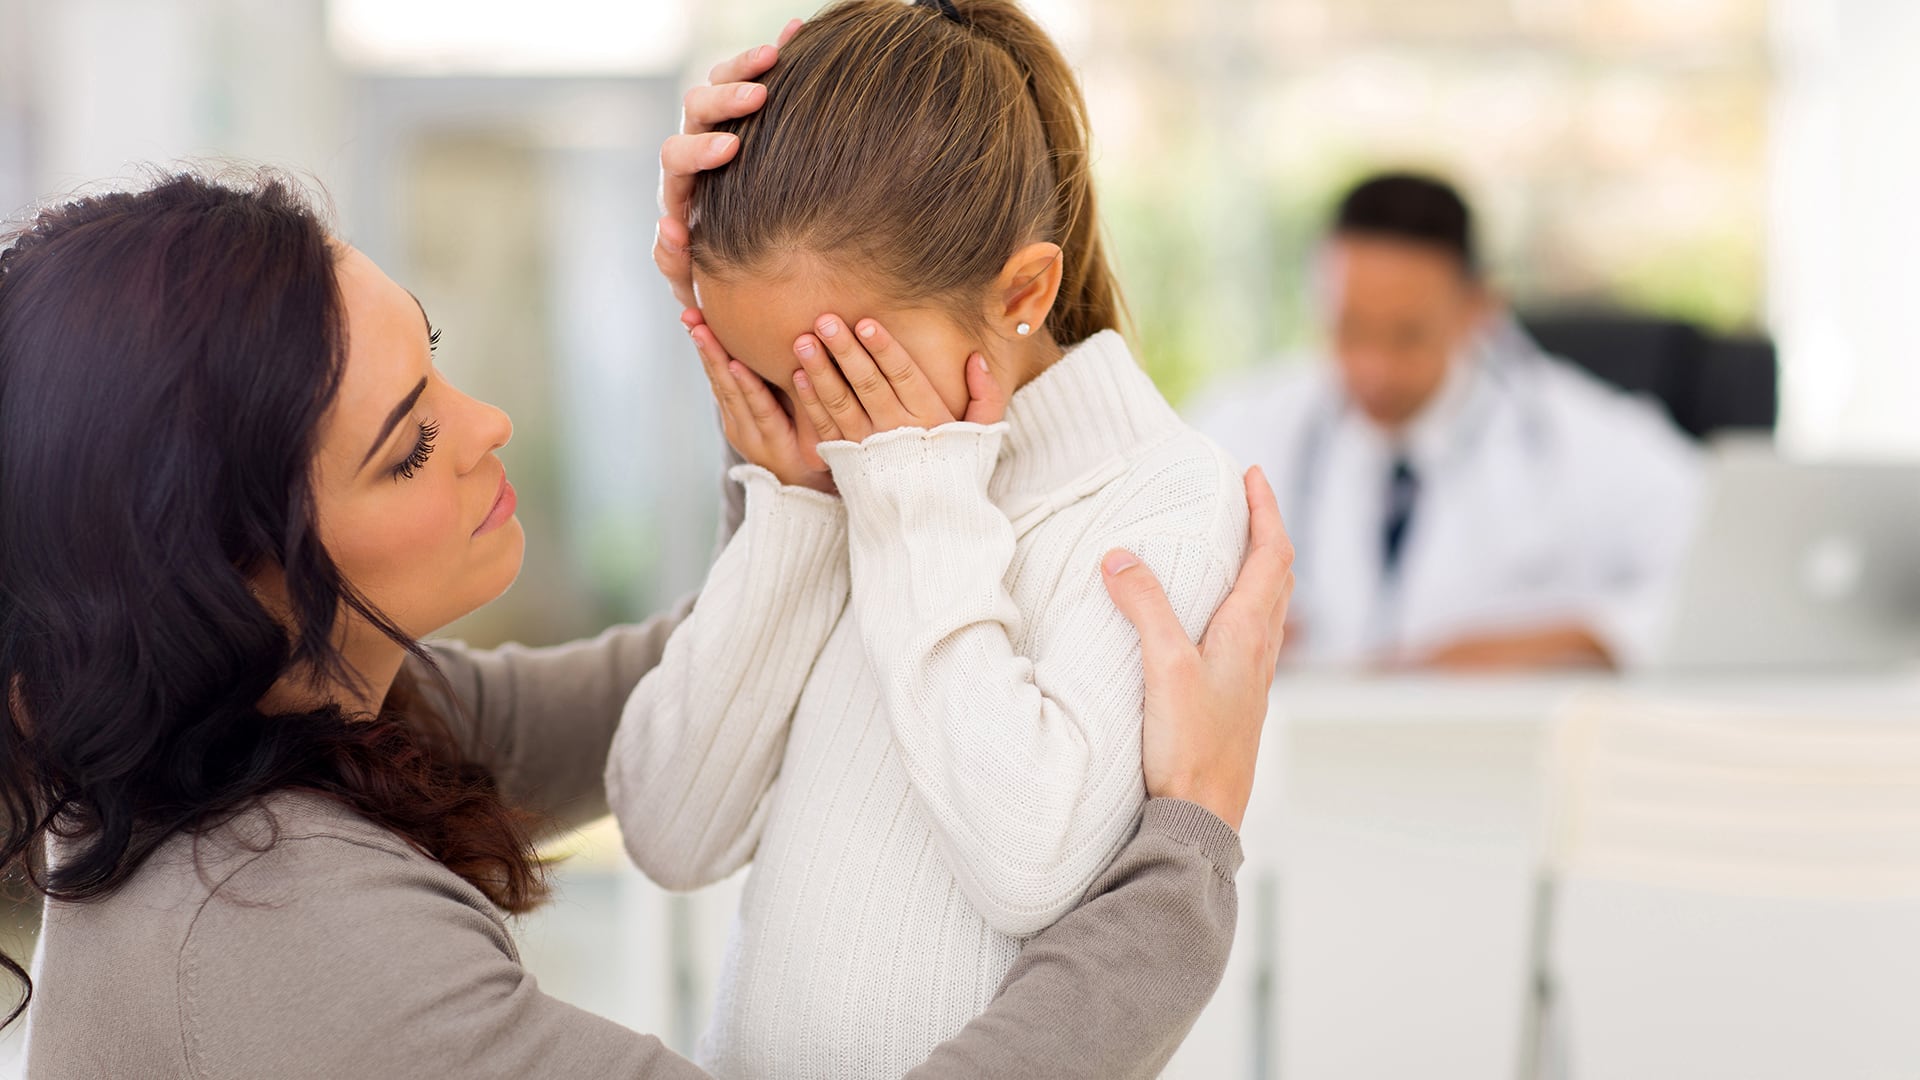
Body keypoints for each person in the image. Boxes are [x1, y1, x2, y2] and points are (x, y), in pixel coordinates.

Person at [0, 27, 1297, 1080]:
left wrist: (817, 475)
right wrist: (1189, 839)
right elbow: (677, 812)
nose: (490, 425)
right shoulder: (301, 940)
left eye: (435, 354)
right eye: (405, 445)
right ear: (236, 584)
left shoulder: (234, 720)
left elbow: (658, 709)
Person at [604, 3, 1251, 1075]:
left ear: (1025, 293)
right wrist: (795, 506)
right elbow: (670, 829)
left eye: (847, 370)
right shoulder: (844, 473)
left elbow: (1029, 859)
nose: (815, 420)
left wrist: (912, 505)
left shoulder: (1162, 500)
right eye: (766, 375)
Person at [1192, 171, 1701, 671]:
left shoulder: (1586, 438)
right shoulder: (1244, 421)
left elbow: (1722, 585)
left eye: (1406, 336)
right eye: (1350, 329)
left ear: (1480, 309)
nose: (1373, 367)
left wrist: (1582, 639)